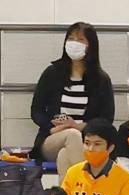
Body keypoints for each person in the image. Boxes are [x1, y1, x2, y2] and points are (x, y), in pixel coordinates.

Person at [31, 24, 114, 172]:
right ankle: (88, 184)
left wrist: (78, 126)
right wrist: (52, 128)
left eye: (80, 40)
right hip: (51, 140)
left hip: (85, 143)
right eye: (71, 38)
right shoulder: (52, 73)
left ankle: (69, 194)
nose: (74, 43)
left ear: (91, 46)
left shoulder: (101, 79)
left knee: (64, 156)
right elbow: (36, 110)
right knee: (72, 135)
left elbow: (107, 119)